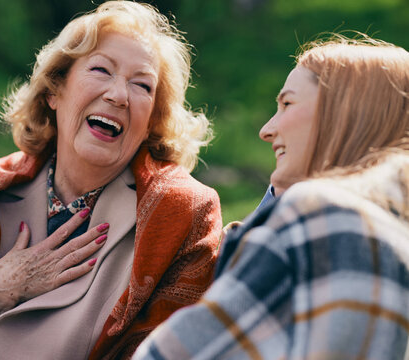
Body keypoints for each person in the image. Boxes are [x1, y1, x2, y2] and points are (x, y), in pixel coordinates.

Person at [0, 2, 222, 359]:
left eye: (142, 85)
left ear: (152, 119)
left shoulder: (182, 214)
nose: (118, 95)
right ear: (53, 91)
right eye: (101, 70)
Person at [133, 35, 409, 359]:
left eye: (287, 104)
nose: (266, 129)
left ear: (347, 115)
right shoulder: (392, 236)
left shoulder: (321, 215)